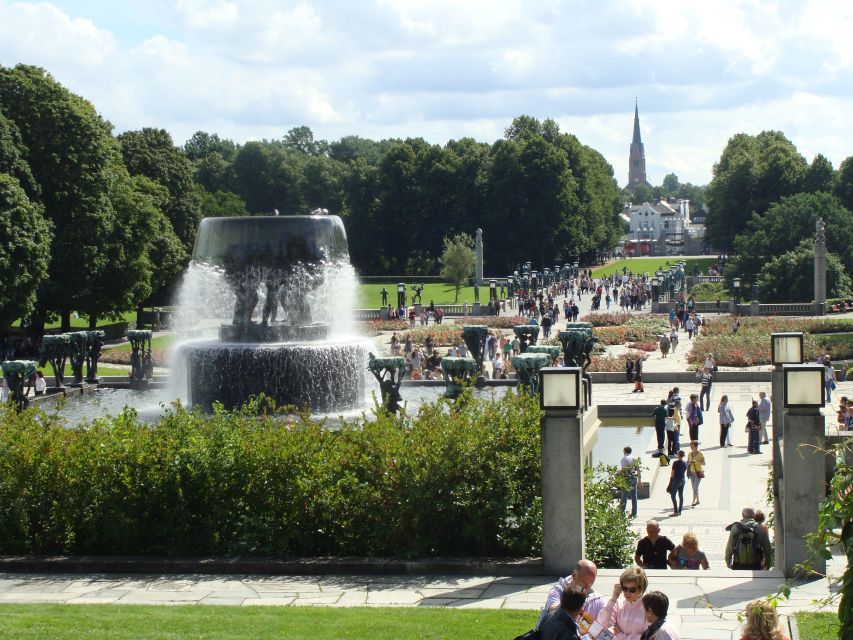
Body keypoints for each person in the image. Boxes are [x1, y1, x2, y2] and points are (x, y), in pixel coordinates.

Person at [538, 559, 607, 626]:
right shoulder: (558, 590)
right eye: (583, 583)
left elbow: (603, 630)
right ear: (574, 576)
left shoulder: (598, 600)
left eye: (590, 584)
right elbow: (551, 610)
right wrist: (568, 600)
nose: (585, 589)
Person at [596, 566, 650, 640]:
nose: (627, 593)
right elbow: (602, 624)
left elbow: (648, 636)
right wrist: (613, 599)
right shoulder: (618, 604)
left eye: (632, 590)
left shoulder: (647, 608)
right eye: (624, 588)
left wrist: (621, 636)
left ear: (641, 589)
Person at [619, 446, 639, 519]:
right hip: (634, 477)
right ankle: (634, 513)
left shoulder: (624, 458)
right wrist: (640, 480)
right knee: (634, 496)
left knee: (624, 496)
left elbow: (624, 470)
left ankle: (621, 513)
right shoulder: (634, 458)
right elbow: (638, 469)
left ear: (624, 451)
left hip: (627, 478)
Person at [686, 441, 705, 506]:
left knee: (695, 487)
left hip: (698, 472)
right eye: (690, 446)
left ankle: (693, 501)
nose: (691, 447)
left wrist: (697, 461)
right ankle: (698, 500)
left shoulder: (700, 454)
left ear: (696, 447)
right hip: (691, 472)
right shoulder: (689, 454)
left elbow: (703, 463)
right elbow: (687, 463)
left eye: (692, 446)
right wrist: (690, 462)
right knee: (694, 487)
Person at [668, 450, 687, 516]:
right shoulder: (685, 463)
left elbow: (672, 473)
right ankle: (680, 511)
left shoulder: (675, 463)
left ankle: (675, 511)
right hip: (682, 480)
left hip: (676, 480)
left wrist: (670, 481)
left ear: (679, 455)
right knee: (680, 495)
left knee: (673, 496)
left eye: (677, 453)